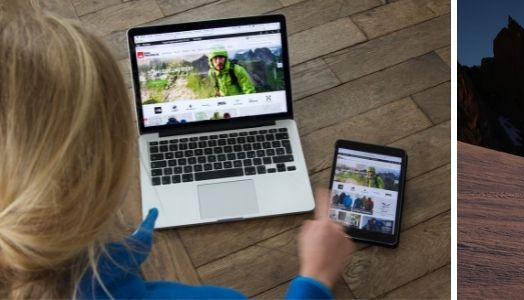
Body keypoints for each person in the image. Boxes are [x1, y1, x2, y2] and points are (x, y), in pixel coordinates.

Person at [0, 6, 353, 298]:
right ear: (110, 157)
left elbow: (242, 87)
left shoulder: (237, 69)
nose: (216, 65)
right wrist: (315, 280)